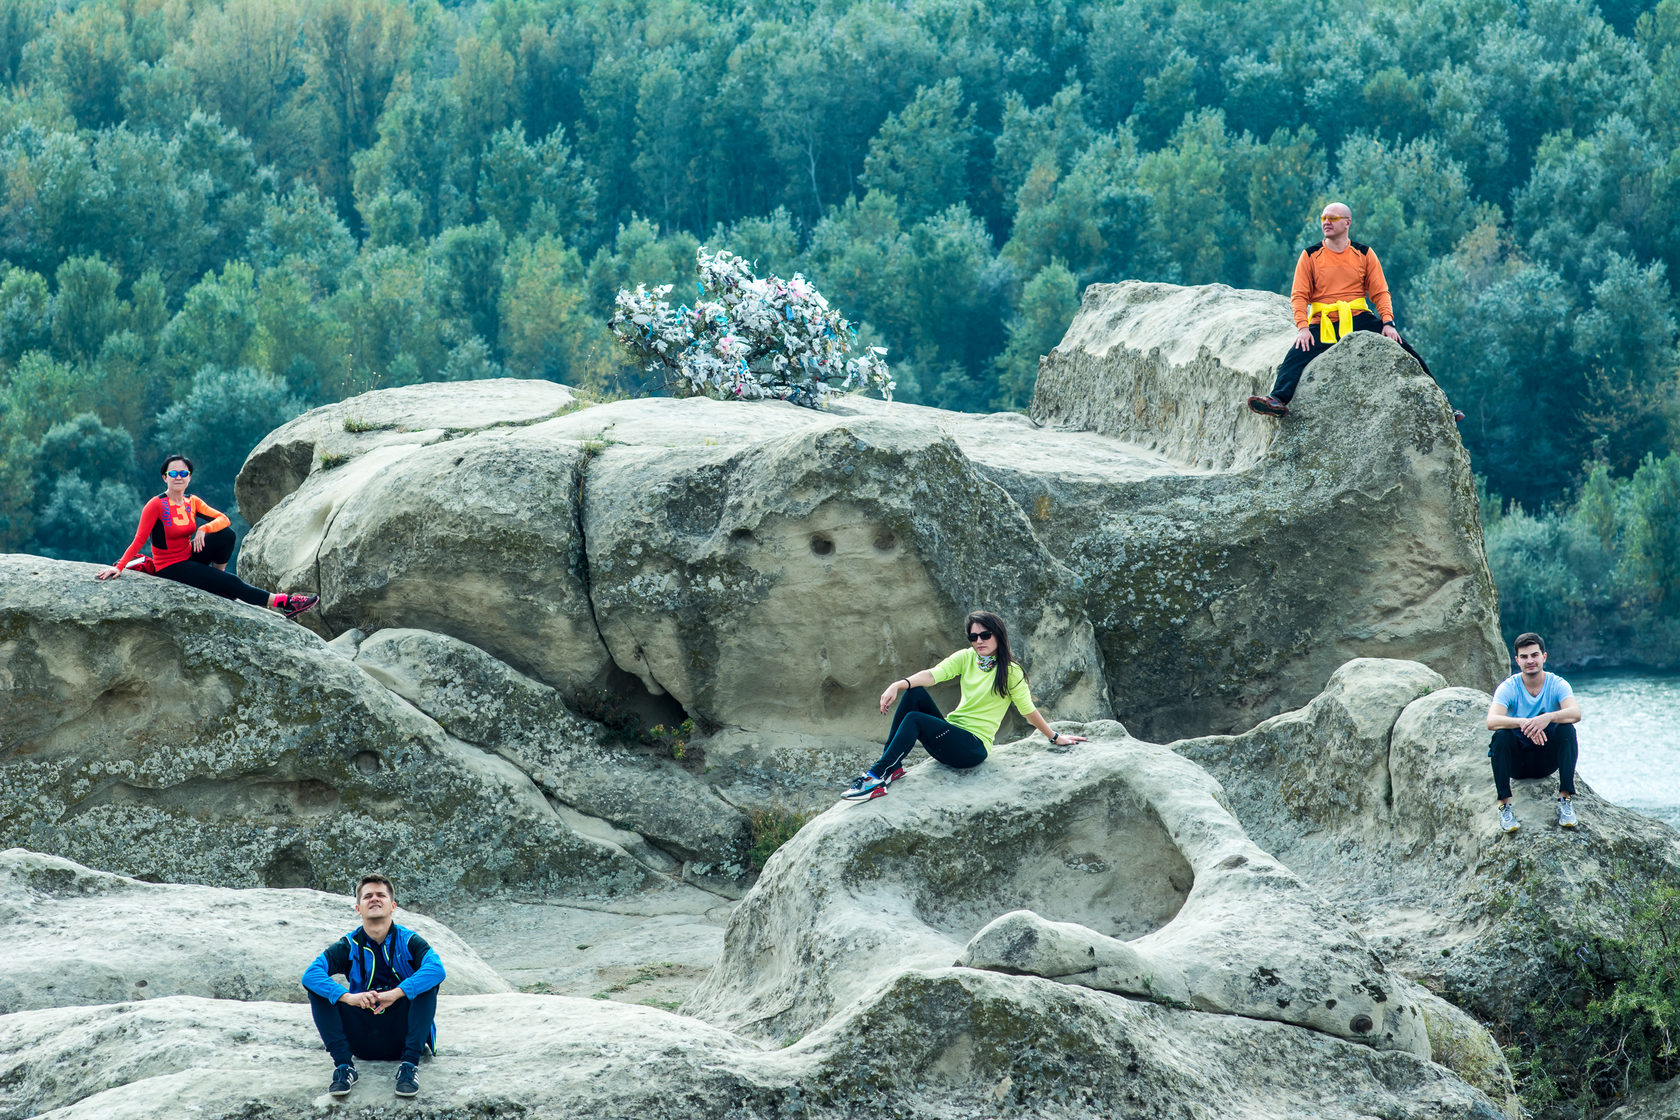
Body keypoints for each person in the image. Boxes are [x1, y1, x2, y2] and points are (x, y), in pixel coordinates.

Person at [842, 610, 1088, 801]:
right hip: (952, 734)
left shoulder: (1011, 672)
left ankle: (876, 775)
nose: (979, 641)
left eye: (984, 635)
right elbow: (933, 675)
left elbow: (1028, 712)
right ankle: (891, 767)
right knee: (913, 693)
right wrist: (898, 684)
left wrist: (1055, 737)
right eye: (973, 637)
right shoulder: (966, 657)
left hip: (972, 749)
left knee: (914, 719)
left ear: (998, 635)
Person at [1247, 202, 1460, 421]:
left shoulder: (1364, 253)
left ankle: (1441, 405)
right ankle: (1277, 400)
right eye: (1323, 218)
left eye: (1333, 218)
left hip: (1359, 317)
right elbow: (1299, 295)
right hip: (1325, 321)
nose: (1326, 222)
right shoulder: (1310, 255)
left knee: (1407, 350)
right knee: (1297, 355)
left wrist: (1388, 323)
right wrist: (1302, 327)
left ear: (1347, 223)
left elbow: (1380, 292)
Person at [93, 453, 318, 619]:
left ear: (189, 477)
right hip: (170, 566)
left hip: (189, 556)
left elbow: (223, 519)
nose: (178, 477)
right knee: (231, 582)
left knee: (225, 535)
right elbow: (139, 540)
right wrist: (119, 567)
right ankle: (284, 602)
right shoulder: (156, 505)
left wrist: (203, 529)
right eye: (173, 474)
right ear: (165, 478)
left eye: (183, 473)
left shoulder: (192, 502)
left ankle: (215, 582)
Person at [301, 873, 446, 1099]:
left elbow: (437, 969)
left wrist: (396, 993)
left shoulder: (408, 940)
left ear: (393, 905)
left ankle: (409, 1066)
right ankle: (344, 1067)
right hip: (363, 1036)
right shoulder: (348, 944)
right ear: (358, 908)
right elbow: (311, 974)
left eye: (381, 895)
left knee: (426, 985)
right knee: (319, 990)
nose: (374, 899)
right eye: (368, 896)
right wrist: (348, 997)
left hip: (402, 1034)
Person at [1485, 632, 1583, 833]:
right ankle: (1504, 805)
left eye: (1534, 655)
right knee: (1500, 736)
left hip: (1546, 762)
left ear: (1544, 657)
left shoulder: (1557, 684)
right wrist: (1523, 723)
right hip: (1517, 765)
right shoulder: (1509, 687)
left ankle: (1565, 799)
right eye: (1524, 657)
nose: (1530, 661)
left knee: (1567, 729)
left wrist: (1547, 718)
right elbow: (1492, 720)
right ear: (1517, 660)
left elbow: (1575, 713)